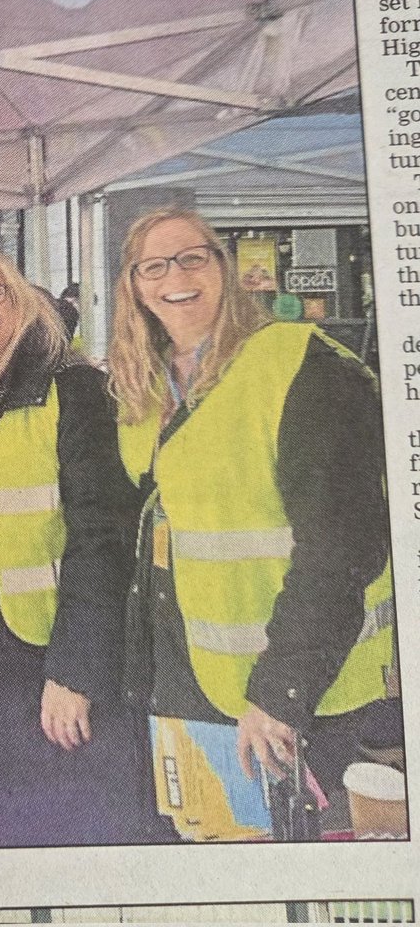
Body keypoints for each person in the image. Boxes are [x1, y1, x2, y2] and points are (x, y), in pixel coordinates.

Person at [108, 208, 395, 837]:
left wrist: (281, 694)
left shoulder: (299, 365)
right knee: (213, 857)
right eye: (153, 266)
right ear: (133, 284)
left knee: (301, 879)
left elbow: (342, 547)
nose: (174, 277)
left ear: (224, 266)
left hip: (301, 696)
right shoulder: (147, 387)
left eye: (193, 257)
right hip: (191, 681)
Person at [0, 243, 149, 847]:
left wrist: (77, 671)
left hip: (41, 651)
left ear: (21, 303)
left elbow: (103, 537)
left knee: (62, 824)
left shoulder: (71, 388)